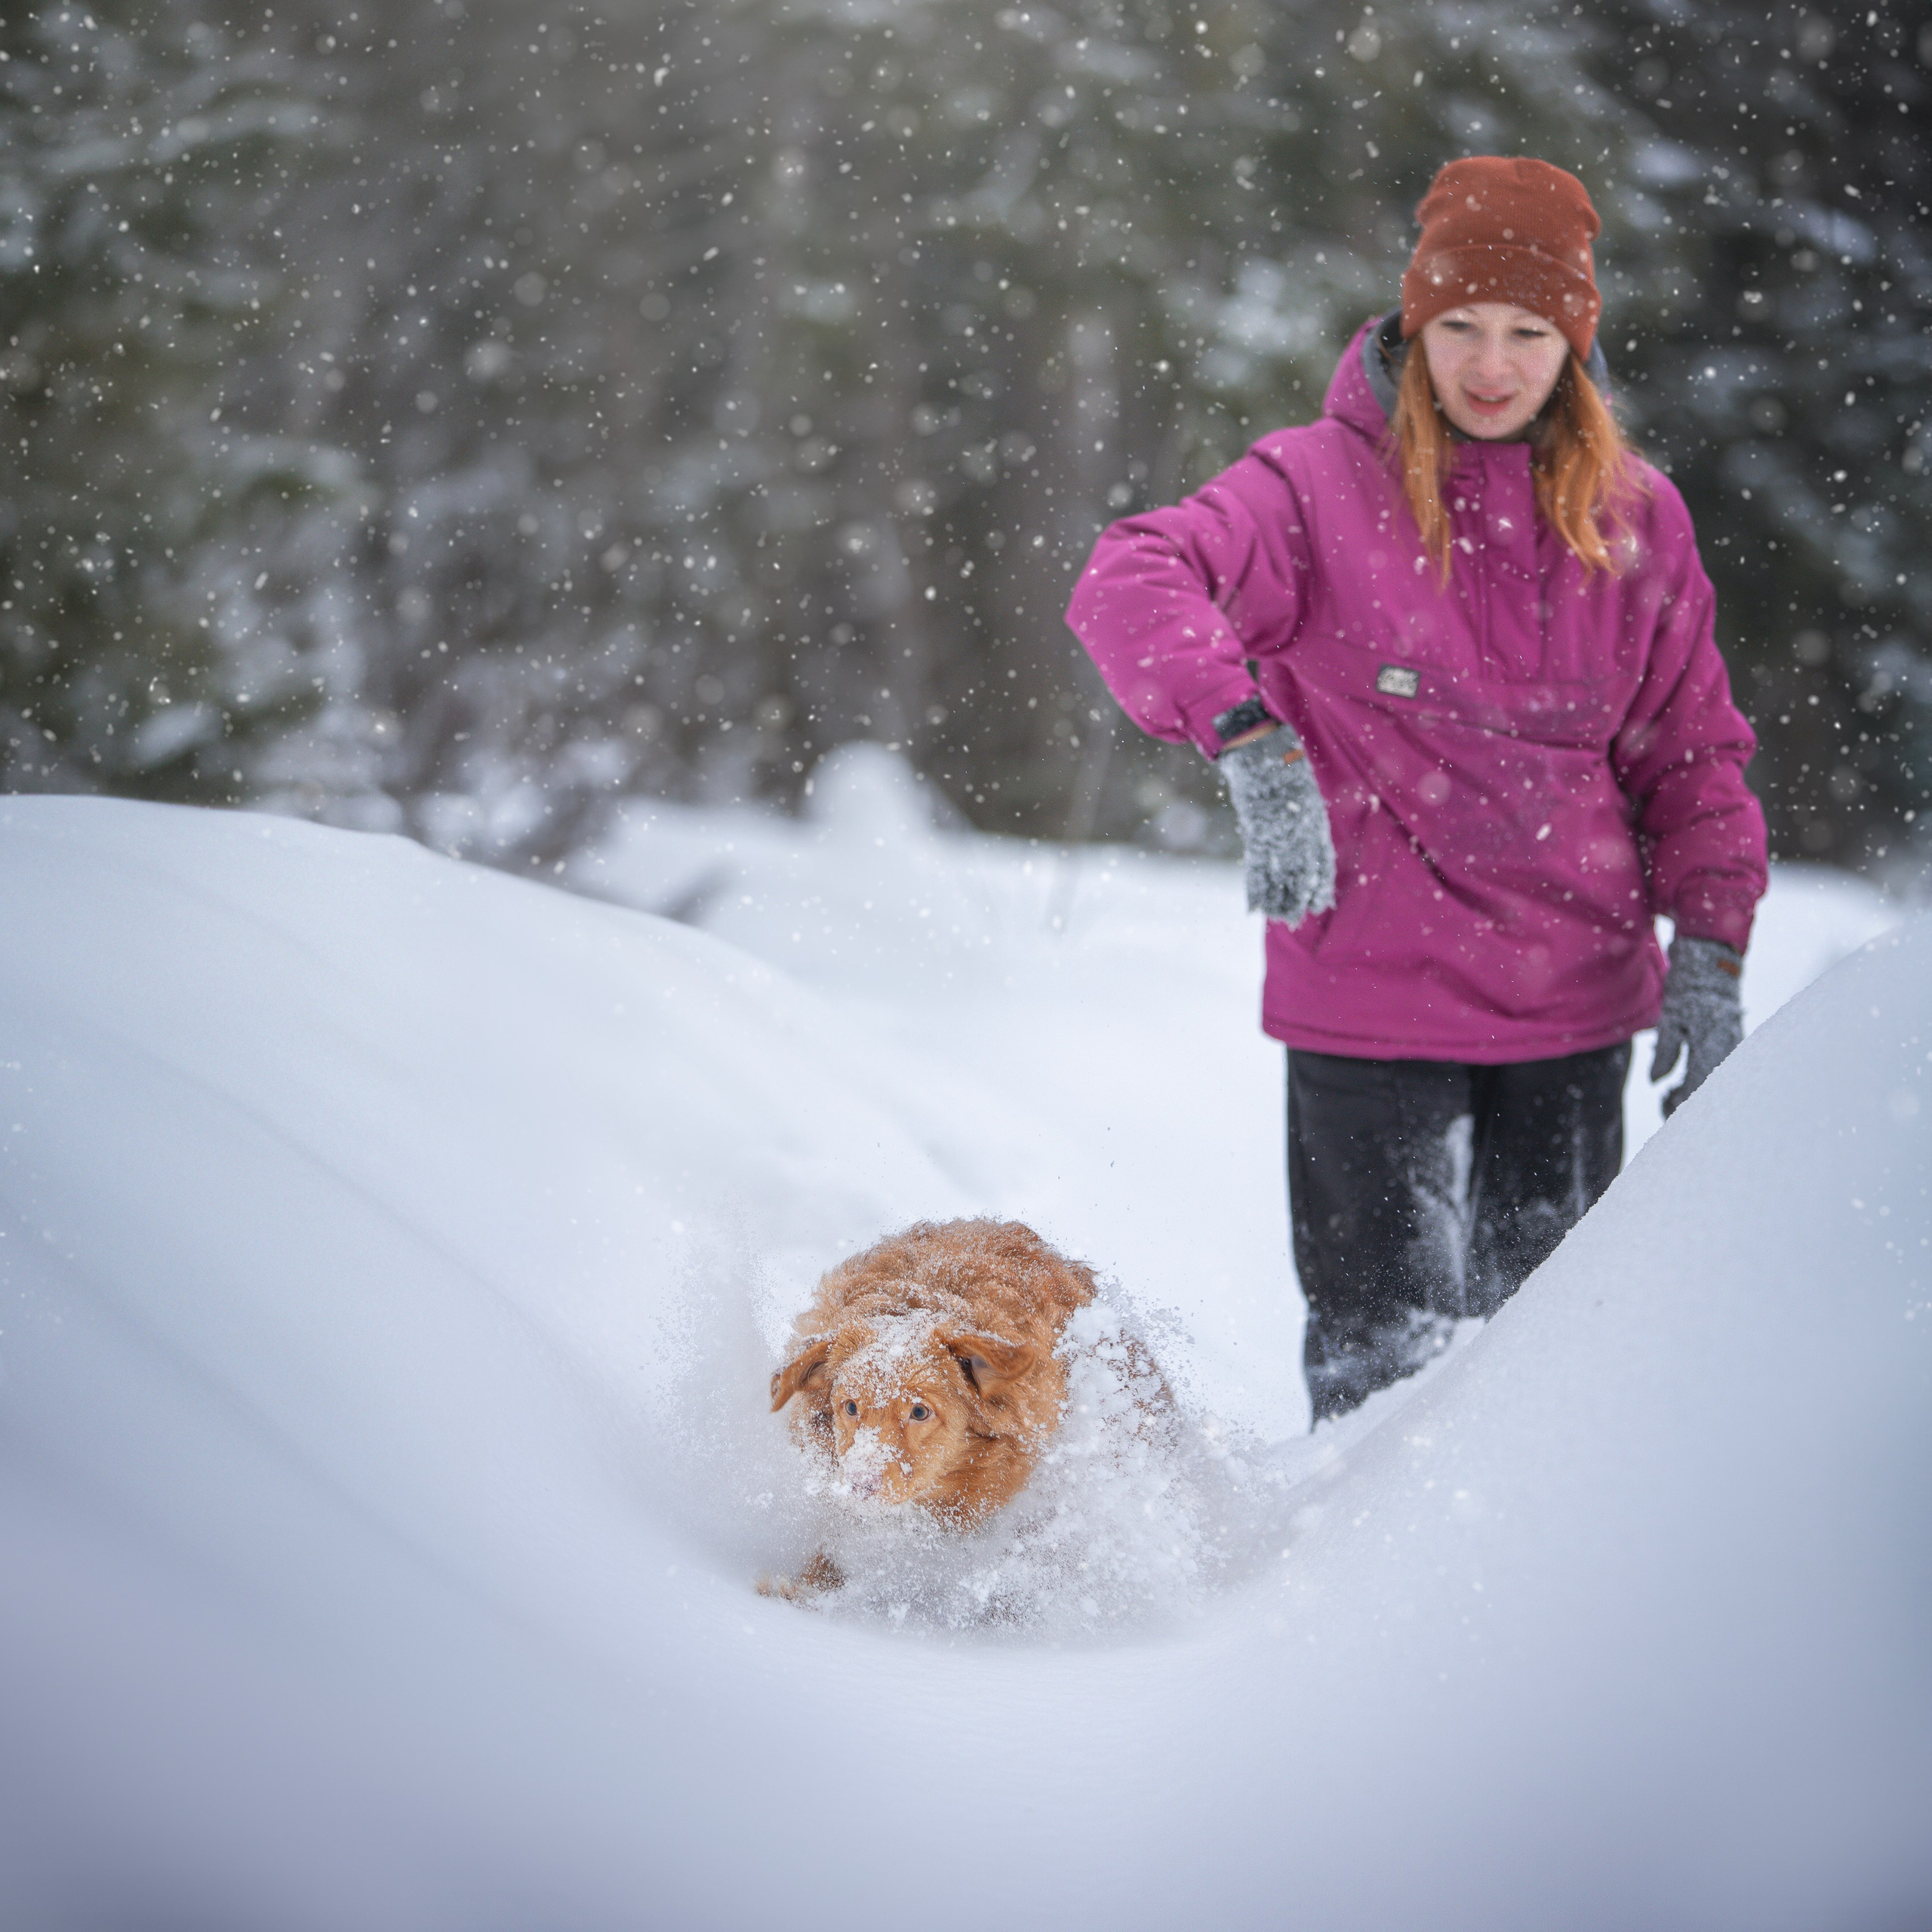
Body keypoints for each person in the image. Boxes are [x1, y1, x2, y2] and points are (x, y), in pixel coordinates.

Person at [1066, 157, 1768, 1423]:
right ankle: (1361, 1613)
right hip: (1369, 1008)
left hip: (1571, 1012)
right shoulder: (1312, 490)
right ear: (1410, 325)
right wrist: (1248, 738)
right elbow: (1133, 576)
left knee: (1552, 1377)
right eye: (1458, 328)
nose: (1490, 366)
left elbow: (1691, 753)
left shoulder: (1636, 521)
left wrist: (1710, 946)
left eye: (1526, 333)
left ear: (1574, 343)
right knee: (1380, 1373)